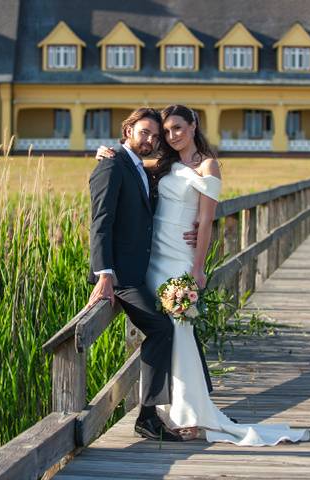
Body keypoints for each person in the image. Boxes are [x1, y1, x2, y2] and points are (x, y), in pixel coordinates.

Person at [96, 105, 310, 445]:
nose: (170, 136)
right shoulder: (163, 163)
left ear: (194, 125)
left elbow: (206, 222)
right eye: (166, 131)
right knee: (172, 334)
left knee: (179, 330)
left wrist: (197, 268)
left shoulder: (207, 165)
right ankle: (173, 410)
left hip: (180, 260)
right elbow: (128, 165)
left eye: (177, 128)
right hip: (153, 260)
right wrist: (105, 152)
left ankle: (192, 410)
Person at [87, 107, 205, 442]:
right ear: (128, 130)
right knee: (163, 328)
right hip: (121, 277)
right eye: (144, 133)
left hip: (144, 270)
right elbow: (101, 223)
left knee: (175, 325)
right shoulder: (111, 164)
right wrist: (105, 276)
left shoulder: (141, 167)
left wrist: (197, 226)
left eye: (156, 135)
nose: (151, 140)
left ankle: (173, 407)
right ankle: (148, 416)